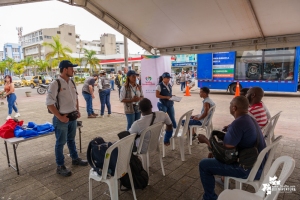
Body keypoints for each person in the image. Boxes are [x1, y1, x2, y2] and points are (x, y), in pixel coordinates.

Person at [197, 96, 267, 200]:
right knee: (214, 153)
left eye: (230, 104)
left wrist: (206, 141)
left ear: (234, 108)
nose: (229, 106)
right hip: (258, 165)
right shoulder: (250, 119)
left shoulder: (238, 123)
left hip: (248, 169)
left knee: (204, 165)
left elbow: (226, 154)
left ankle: (209, 197)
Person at [46, 60, 88, 177]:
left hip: (72, 117)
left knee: (71, 139)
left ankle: (75, 158)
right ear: (65, 69)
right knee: (60, 143)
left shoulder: (71, 82)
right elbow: (49, 103)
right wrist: (59, 117)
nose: (73, 70)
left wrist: (77, 110)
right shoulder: (55, 84)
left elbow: (76, 98)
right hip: (61, 119)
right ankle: (60, 166)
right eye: (71, 68)